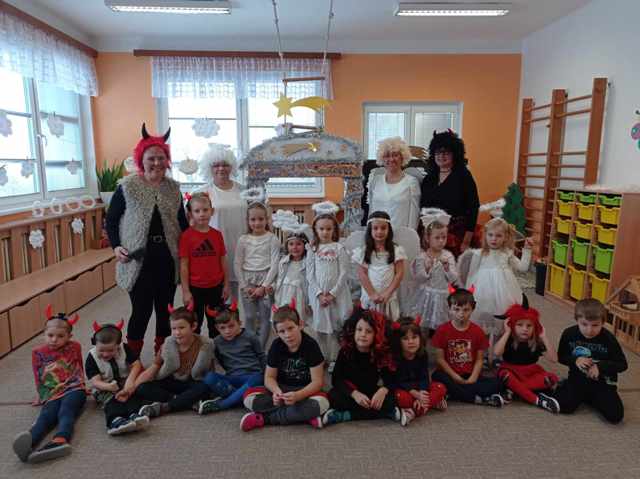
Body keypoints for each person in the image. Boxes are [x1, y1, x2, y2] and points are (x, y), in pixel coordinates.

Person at [106, 123, 189, 356]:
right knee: (141, 311)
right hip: (137, 259)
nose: (156, 163)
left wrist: (189, 251)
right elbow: (111, 220)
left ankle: (162, 356)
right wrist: (116, 247)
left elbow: (181, 222)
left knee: (165, 310)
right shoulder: (127, 186)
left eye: (161, 158)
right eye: (151, 158)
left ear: (167, 160)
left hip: (167, 257)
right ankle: (133, 358)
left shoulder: (173, 188)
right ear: (141, 159)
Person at [12, 309, 86, 464]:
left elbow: (79, 365)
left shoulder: (75, 346)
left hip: (74, 388)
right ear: (44, 334)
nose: (54, 340)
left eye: (60, 336)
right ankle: (30, 441)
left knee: (66, 411)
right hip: (52, 392)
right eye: (50, 335)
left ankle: (61, 439)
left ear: (69, 336)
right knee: (46, 415)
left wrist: (83, 385)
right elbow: (37, 373)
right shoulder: (37, 352)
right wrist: (40, 393)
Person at [240, 305, 329, 431]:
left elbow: (317, 382)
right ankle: (302, 416)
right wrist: (276, 391)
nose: (287, 335)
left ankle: (265, 419)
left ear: (300, 325)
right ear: (276, 332)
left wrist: (298, 396)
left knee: (321, 403)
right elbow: (269, 377)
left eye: (291, 328)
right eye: (282, 331)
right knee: (248, 397)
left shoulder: (311, 345)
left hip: (305, 391)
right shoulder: (276, 346)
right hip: (282, 389)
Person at [464, 217, 533, 356]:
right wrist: (467, 295)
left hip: (504, 292)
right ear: (485, 235)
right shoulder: (479, 253)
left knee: (500, 323)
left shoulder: (507, 253)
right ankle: (482, 354)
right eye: (490, 235)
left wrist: (527, 249)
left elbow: (523, 267)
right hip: (483, 292)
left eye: (498, 236)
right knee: (483, 322)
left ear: (505, 237)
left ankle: (496, 355)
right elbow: (471, 275)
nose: (493, 239)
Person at [552, 299, 628, 424]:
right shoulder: (569, 333)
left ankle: (589, 397)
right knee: (564, 407)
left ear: (603, 323)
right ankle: (570, 389)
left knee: (615, 416)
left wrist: (600, 367)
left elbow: (622, 364)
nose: (589, 330)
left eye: (595, 325)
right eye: (584, 324)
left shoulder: (609, 338)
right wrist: (575, 360)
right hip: (577, 380)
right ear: (576, 320)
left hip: (602, 383)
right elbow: (561, 357)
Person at [134, 306, 214, 418]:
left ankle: (166, 407)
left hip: (191, 383)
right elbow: (154, 367)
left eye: (181, 328)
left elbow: (210, 372)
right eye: (173, 329)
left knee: (205, 387)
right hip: (171, 382)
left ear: (193, 326)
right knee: (142, 388)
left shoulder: (205, 345)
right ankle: (185, 401)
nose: (177, 332)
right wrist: (132, 388)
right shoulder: (168, 344)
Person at [431, 288, 506, 407]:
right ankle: (476, 399)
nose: (461, 314)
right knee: (437, 377)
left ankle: (456, 393)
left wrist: (473, 378)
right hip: (449, 374)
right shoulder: (442, 331)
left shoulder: (477, 331)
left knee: (497, 383)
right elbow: (440, 359)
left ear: (472, 310)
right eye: (456, 309)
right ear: (450, 309)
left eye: (466, 310)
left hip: (469, 374)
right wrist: (455, 376)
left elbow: (479, 359)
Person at [322, 308, 397, 426]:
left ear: (377, 335)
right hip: (351, 393)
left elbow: (391, 379)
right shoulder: (345, 351)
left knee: (391, 399)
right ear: (353, 331)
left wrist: (383, 390)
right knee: (333, 397)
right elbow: (336, 379)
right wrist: (354, 394)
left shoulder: (379, 354)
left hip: (370, 392)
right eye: (359, 329)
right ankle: (381, 414)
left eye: (368, 331)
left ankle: (347, 415)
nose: (363, 334)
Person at [196, 300, 265, 414]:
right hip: (232, 378)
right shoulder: (216, 342)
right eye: (222, 328)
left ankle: (222, 404)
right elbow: (220, 361)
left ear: (240, 323)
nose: (227, 331)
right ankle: (240, 398)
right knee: (209, 377)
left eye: (231, 326)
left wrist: (268, 377)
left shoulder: (250, 336)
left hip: (251, 377)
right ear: (217, 328)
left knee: (259, 378)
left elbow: (262, 356)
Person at [85, 320, 151, 435]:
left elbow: (136, 364)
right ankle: (114, 421)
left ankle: (134, 414)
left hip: (124, 382)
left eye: (110, 350)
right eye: (101, 350)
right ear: (95, 344)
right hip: (103, 387)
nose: (105, 354)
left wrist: (130, 381)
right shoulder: (92, 357)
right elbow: (95, 381)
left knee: (132, 395)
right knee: (111, 401)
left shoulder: (125, 348)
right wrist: (108, 386)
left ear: (118, 345)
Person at [420, 130, 480, 257]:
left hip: (457, 235)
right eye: (438, 152)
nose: (441, 156)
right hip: (432, 233)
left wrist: (467, 240)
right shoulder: (429, 178)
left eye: (446, 152)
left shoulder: (464, 176)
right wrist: (425, 234)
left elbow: (474, 207)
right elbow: (423, 208)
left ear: (455, 154)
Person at [199, 144, 247, 301]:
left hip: (242, 247)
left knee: (245, 294)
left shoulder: (244, 190)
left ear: (231, 166)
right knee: (221, 297)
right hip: (216, 249)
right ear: (209, 168)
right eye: (216, 165)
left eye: (225, 164)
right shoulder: (202, 192)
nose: (221, 168)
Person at [306, 202, 353, 364]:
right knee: (320, 327)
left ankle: (336, 358)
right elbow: (310, 274)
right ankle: (322, 356)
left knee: (336, 327)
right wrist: (319, 294)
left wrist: (332, 294)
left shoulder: (339, 248)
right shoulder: (312, 249)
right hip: (319, 295)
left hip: (337, 295)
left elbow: (344, 272)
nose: (325, 232)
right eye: (321, 229)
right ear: (315, 230)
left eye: (328, 229)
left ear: (334, 230)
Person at [493, 300, 560, 413]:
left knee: (552, 378)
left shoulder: (536, 342)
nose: (525, 329)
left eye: (529, 326)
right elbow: (497, 353)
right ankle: (538, 400)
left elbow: (554, 359)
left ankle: (513, 389)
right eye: (520, 325)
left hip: (530, 373)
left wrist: (544, 337)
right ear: (512, 326)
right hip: (511, 370)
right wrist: (507, 332)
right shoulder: (509, 339)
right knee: (505, 375)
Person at [179, 191, 230, 338]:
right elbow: (184, 266)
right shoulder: (186, 237)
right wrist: (186, 291)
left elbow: (223, 260)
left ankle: (217, 350)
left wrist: (226, 284)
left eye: (205, 210)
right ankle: (196, 350)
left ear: (212, 211)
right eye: (197, 211)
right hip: (195, 288)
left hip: (216, 287)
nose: (202, 214)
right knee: (195, 324)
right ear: (190, 214)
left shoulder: (217, 235)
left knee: (217, 324)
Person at [383, 316, 448, 426]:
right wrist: (414, 393)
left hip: (419, 387)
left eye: (414, 337)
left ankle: (414, 410)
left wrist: (422, 392)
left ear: (420, 338)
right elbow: (396, 381)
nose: (411, 342)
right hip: (404, 389)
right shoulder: (394, 357)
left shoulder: (422, 354)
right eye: (405, 339)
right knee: (400, 397)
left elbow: (424, 376)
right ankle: (430, 404)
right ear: (398, 341)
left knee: (440, 387)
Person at [234, 202, 280, 350]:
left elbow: (275, 264)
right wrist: (244, 285)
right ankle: (249, 347)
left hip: (266, 280)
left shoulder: (272, 239)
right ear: (248, 221)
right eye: (253, 219)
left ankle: (260, 349)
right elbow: (237, 263)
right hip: (247, 281)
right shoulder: (243, 240)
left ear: (267, 220)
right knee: (249, 316)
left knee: (265, 317)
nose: (257, 223)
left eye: (261, 219)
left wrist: (264, 286)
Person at [352, 211, 407, 321]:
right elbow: (362, 274)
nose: (379, 231)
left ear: (389, 229)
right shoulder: (364, 251)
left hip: (388, 297)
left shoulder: (396, 250)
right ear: (370, 230)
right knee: (370, 322)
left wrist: (387, 293)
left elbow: (399, 274)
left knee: (387, 322)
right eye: (375, 228)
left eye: (383, 228)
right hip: (371, 296)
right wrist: (372, 294)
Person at [412, 208, 457, 335]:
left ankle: (439, 343)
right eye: (437, 238)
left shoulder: (448, 255)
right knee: (422, 325)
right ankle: (422, 342)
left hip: (443, 297)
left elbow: (454, 279)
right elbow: (419, 278)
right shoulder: (422, 257)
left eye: (444, 237)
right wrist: (426, 268)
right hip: (426, 297)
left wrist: (447, 268)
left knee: (441, 326)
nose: (441, 241)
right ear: (427, 238)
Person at [367, 137, 421, 230]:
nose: (391, 159)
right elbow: (371, 211)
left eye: (395, 155)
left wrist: (410, 236)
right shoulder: (375, 181)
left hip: (401, 235)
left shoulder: (411, 182)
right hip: (378, 235)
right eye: (387, 156)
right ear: (382, 158)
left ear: (402, 157)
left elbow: (414, 216)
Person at [273, 223, 311, 323]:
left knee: (298, 320)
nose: (294, 247)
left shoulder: (308, 263)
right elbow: (278, 278)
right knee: (284, 319)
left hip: (300, 296)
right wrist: (272, 287)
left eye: (298, 244)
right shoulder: (283, 262)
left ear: (305, 245)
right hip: (284, 295)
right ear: (287, 246)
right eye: (291, 244)